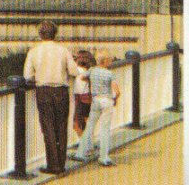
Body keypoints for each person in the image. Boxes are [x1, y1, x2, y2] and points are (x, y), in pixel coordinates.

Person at [23, 20, 80, 174]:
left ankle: (52, 164)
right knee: (61, 127)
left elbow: (27, 75)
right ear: (55, 34)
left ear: (40, 34)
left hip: (43, 91)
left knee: (48, 127)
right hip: (61, 90)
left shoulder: (34, 52)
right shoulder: (63, 50)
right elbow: (74, 72)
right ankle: (61, 163)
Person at [71, 52, 121, 166]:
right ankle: (104, 157)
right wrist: (115, 99)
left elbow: (83, 77)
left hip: (95, 100)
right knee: (104, 129)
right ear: (106, 62)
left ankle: (80, 153)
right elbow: (117, 91)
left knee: (89, 127)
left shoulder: (92, 71)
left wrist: (93, 84)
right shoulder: (109, 74)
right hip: (106, 100)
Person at [72, 50, 97, 137]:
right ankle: (89, 142)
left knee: (76, 124)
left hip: (80, 97)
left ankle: (84, 143)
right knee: (86, 121)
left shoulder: (78, 70)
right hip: (88, 97)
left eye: (76, 58)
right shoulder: (89, 71)